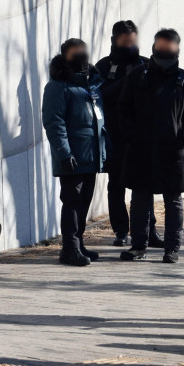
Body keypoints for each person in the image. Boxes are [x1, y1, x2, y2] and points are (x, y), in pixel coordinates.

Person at [117, 28, 184, 263]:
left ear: (177, 48)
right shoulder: (137, 75)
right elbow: (123, 109)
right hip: (141, 150)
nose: (165, 49)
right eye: (161, 45)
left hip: (173, 151)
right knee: (139, 200)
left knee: (173, 202)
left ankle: (172, 249)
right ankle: (138, 246)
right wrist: (132, 136)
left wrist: (182, 138)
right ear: (154, 46)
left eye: (169, 46)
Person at [95, 20, 163, 248]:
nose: (129, 46)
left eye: (132, 41)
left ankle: (148, 231)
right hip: (114, 136)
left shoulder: (147, 64)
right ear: (114, 40)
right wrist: (127, 80)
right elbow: (100, 96)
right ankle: (121, 231)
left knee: (144, 186)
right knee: (116, 185)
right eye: (125, 42)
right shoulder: (103, 67)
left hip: (142, 137)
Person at [41, 38, 107, 267]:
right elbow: (54, 123)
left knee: (84, 201)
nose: (81, 56)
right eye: (75, 52)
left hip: (91, 155)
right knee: (72, 202)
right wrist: (64, 153)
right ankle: (69, 249)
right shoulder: (57, 86)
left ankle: (78, 243)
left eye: (83, 51)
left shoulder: (91, 82)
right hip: (72, 157)